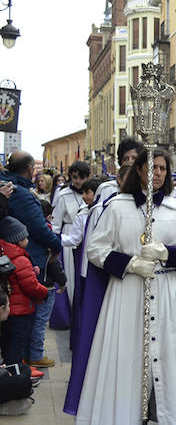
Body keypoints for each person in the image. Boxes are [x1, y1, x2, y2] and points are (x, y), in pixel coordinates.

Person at [65, 148, 176, 425]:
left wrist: (166, 253)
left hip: (166, 292)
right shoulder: (116, 207)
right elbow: (95, 249)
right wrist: (130, 263)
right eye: (152, 167)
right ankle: (131, 420)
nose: (158, 173)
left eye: (162, 168)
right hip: (127, 292)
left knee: (174, 353)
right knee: (129, 352)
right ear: (138, 171)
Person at [0, 153, 63, 369]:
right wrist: (56, 245)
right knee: (29, 319)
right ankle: (27, 359)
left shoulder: (13, 188)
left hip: (22, 258)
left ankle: (24, 359)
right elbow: (37, 225)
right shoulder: (19, 193)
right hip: (28, 258)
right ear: (29, 170)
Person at [0, 218, 49, 368]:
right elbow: (31, 286)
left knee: (8, 346)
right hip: (20, 312)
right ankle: (15, 376)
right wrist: (44, 292)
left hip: (9, 311)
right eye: (25, 237)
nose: (27, 240)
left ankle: (9, 372)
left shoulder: (6, 255)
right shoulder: (20, 259)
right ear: (18, 240)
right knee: (17, 347)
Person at [50, 161, 91, 329]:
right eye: (74, 177)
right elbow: (56, 223)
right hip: (69, 238)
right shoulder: (63, 194)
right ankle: (72, 317)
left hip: (87, 239)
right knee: (72, 280)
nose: (78, 181)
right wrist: (56, 243)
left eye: (81, 177)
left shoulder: (94, 192)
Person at [96, 137, 143, 205]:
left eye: (134, 158)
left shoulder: (145, 188)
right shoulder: (107, 189)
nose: (130, 162)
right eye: (126, 159)